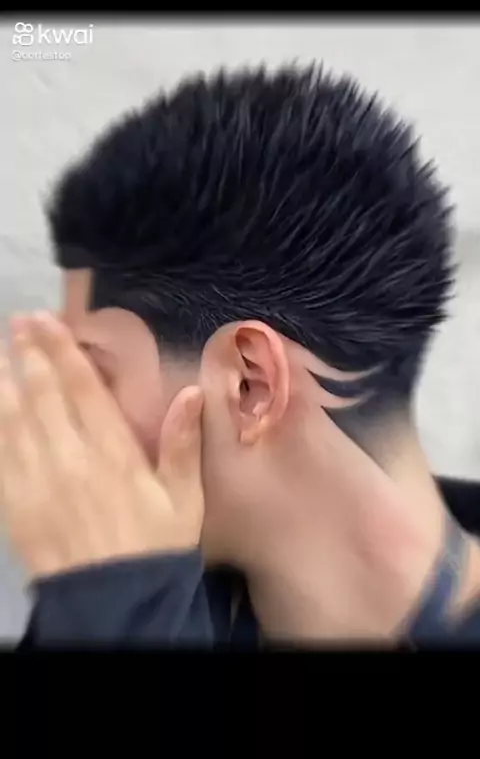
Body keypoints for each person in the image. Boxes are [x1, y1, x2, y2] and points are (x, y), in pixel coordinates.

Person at [2, 65, 480, 646]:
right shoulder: (132, 599)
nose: (63, 420)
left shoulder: (121, 603)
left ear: (250, 384)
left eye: (96, 373)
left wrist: (117, 604)